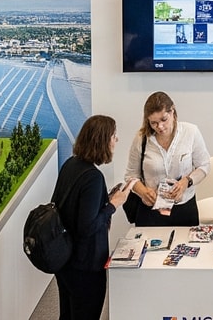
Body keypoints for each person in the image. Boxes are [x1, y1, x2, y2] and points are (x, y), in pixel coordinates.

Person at [54, 116, 136, 320]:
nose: (116, 141)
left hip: (65, 261)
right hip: (85, 266)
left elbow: (73, 209)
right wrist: (113, 204)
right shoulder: (93, 177)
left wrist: (105, 201)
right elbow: (87, 227)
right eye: (114, 136)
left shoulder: (71, 165)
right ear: (103, 141)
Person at [124, 91, 211, 226]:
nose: (160, 127)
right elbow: (130, 176)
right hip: (151, 210)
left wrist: (186, 182)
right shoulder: (141, 138)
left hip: (184, 207)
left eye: (164, 120)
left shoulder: (191, 132)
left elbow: (204, 166)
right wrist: (143, 192)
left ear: (173, 112)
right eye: (154, 123)